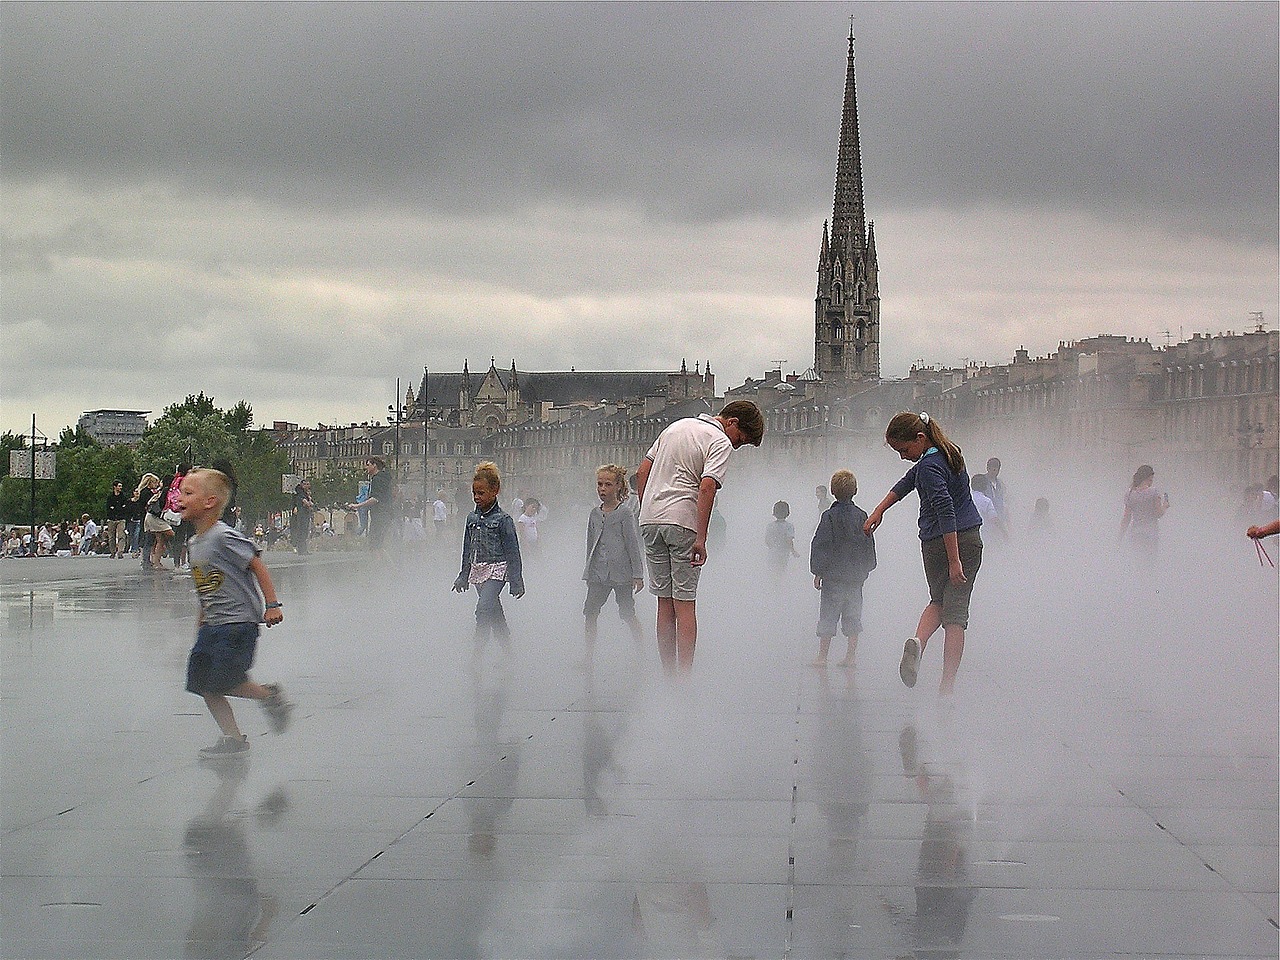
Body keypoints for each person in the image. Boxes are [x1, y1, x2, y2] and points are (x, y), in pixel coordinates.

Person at [634, 399, 764, 676]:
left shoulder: (676, 427)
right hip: (682, 521)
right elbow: (706, 487)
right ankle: (684, 679)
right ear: (733, 423)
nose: (737, 446)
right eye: (741, 440)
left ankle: (667, 674)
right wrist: (701, 538)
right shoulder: (719, 441)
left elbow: (642, 471)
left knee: (664, 602)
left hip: (650, 520)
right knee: (684, 603)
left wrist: (647, 506)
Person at [864, 412, 983, 697]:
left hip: (936, 543)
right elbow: (919, 491)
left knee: (939, 601)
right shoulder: (947, 454)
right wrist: (955, 560)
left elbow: (937, 505)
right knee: (956, 617)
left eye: (904, 450)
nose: (903, 457)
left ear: (920, 438)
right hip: (963, 541)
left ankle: (919, 641)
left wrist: (880, 510)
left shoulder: (927, 465)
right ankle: (947, 687)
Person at [178, 468, 293, 760]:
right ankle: (233, 739)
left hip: (237, 625)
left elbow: (256, 564)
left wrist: (272, 604)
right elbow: (207, 589)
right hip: (212, 625)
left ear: (210, 502)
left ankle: (270, 696)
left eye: (188, 492)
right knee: (204, 685)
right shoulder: (194, 543)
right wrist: (200, 624)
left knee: (225, 681)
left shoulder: (223, 536)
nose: (180, 497)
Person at [453, 462, 524, 659]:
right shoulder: (471, 518)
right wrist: (463, 575)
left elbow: (513, 552)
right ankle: (508, 652)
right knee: (494, 612)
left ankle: (477, 655)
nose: (477, 497)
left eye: (481, 493)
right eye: (474, 493)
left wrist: (516, 581)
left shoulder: (504, 520)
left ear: (495, 491)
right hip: (478, 569)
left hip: (498, 569)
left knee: (483, 609)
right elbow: (467, 548)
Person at [810, 470, 877, 669]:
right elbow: (868, 543)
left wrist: (818, 571)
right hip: (855, 577)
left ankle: (822, 657)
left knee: (828, 615)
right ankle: (851, 656)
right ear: (855, 490)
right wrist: (866, 568)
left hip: (834, 576)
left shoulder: (829, 516)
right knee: (853, 615)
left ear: (832, 491)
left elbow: (821, 544)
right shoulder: (862, 516)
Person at [582, 464, 646, 670]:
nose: (602, 489)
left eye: (608, 484)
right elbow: (590, 544)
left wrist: (638, 574)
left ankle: (642, 654)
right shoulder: (594, 513)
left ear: (618, 486)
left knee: (627, 613)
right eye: (599, 484)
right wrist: (588, 571)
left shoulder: (625, 513)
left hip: (621, 573)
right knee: (590, 612)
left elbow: (632, 544)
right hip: (598, 573)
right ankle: (588, 656)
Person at [1118, 464, 1168, 560]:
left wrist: (1119, 537)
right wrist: (1165, 506)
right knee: (1149, 563)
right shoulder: (1154, 492)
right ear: (1149, 478)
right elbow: (1158, 513)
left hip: (1136, 534)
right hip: (1150, 534)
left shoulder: (1130, 493)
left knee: (1137, 562)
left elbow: (1126, 518)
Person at [345, 457, 391, 552]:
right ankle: (386, 564)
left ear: (374, 466)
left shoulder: (377, 479)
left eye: (368, 464)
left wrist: (357, 505)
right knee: (379, 543)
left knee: (375, 544)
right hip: (385, 514)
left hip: (380, 515)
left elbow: (375, 499)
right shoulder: (385, 478)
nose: (366, 467)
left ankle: (381, 565)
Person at [765, 500, 800, 575]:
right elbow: (789, 540)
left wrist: (772, 547)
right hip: (784, 553)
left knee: (773, 572)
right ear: (787, 513)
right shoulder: (789, 526)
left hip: (772, 553)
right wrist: (793, 551)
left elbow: (767, 540)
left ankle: (773, 585)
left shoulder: (770, 526)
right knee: (781, 572)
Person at [969, 474, 1007, 541]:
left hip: (969, 533)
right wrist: (1004, 532)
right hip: (984, 536)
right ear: (985, 486)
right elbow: (994, 519)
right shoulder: (986, 501)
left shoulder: (967, 498)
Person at [104, 481, 130, 558]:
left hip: (121, 519)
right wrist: (117, 508)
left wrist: (116, 508)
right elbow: (108, 508)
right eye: (119, 486)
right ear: (114, 487)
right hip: (111, 519)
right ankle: (112, 551)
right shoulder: (110, 497)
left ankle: (120, 551)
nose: (120, 488)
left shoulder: (123, 497)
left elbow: (125, 507)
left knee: (121, 535)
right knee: (111, 537)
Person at [291, 479, 316, 555]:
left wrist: (309, 498)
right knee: (302, 532)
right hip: (302, 515)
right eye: (307, 484)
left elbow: (310, 503)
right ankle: (301, 550)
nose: (309, 486)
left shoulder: (304, 493)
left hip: (304, 514)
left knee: (304, 533)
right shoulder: (300, 493)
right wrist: (309, 503)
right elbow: (306, 503)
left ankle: (303, 550)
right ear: (303, 485)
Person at [983, 457, 1009, 523]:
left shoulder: (1000, 484)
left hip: (1000, 517)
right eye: (992, 469)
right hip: (986, 517)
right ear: (987, 468)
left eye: (996, 469)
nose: (994, 471)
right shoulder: (982, 481)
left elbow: (1004, 500)